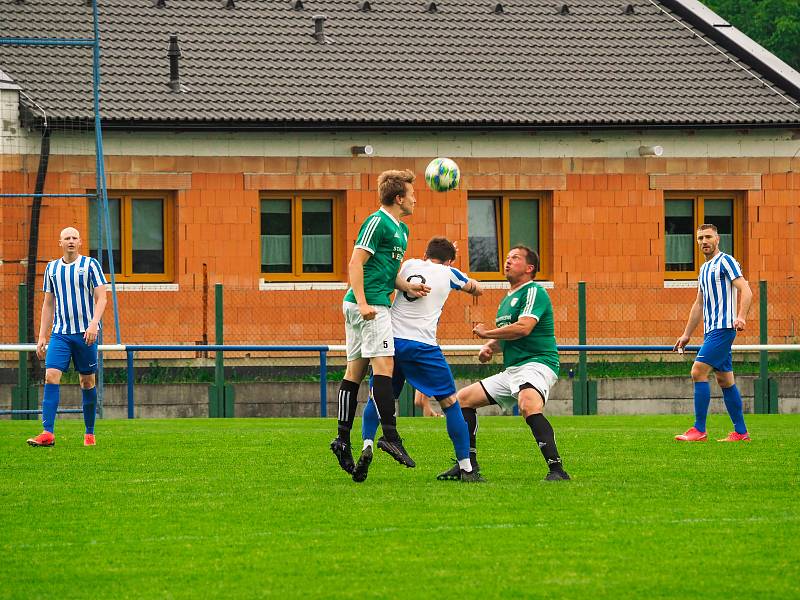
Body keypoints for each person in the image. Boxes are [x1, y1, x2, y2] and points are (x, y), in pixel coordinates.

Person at [355, 237, 484, 483]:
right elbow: (474, 287)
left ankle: (367, 444)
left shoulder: (408, 265)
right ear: (448, 260)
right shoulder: (449, 272)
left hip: (390, 340)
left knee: (378, 396)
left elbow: (391, 276)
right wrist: (470, 281)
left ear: (426, 253)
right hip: (421, 345)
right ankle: (467, 468)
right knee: (450, 402)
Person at [330, 169, 429, 475]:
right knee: (385, 368)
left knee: (354, 372)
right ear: (399, 198)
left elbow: (384, 269)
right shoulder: (377, 222)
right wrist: (362, 303)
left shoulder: (402, 229)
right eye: (411, 194)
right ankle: (391, 435)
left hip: (368, 303)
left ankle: (342, 439)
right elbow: (355, 262)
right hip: (370, 306)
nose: (415, 199)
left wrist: (405, 286)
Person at [445, 245, 570, 482]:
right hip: (513, 369)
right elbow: (510, 335)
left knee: (527, 404)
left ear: (529, 268)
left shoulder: (534, 291)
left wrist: (486, 334)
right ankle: (468, 466)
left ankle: (557, 470)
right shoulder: (507, 299)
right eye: (507, 257)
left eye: (515, 258)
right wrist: (490, 347)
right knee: (463, 400)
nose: (508, 261)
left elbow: (524, 328)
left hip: (538, 363)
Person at [26, 227, 108, 447]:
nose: (71, 241)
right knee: (51, 375)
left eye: (74, 238)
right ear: (59, 242)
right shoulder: (52, 269)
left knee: (87, 381)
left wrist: (93, 324)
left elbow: (102, 298)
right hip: (60, 334)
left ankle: (89, 433)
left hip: (85, 334)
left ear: (80, 242)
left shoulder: (91, 265)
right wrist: (42, 335)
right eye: (66, 238)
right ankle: (47, 433)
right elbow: (48, 303)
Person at [673, 223, 753, 442]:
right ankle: (741, 432)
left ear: (718, 239)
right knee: (725, 381)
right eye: (700, 238)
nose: (704, 241)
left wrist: (741, 316)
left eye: (708, 237)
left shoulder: (726, 261)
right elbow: (699, 304)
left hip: (724, 328)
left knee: (698, 372)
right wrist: (686, 334)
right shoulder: (704, 269)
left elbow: (746, 289)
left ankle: (699, 430)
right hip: (711, 331)